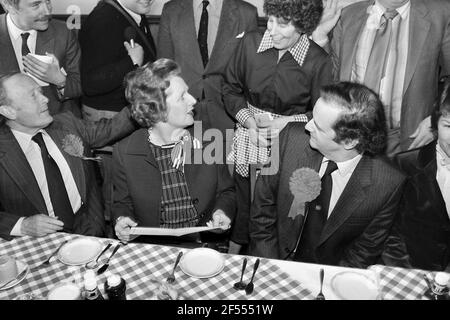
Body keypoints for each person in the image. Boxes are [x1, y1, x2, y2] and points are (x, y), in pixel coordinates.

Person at [249, 82, 406, 268]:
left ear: (349, 141)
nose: (307, 126)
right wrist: (273, 270)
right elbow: (261, 215)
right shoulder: (288, 139)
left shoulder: (388, 184)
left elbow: (364, 251)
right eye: (312, 117)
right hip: (273, 262)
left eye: (318, 126)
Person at [222, 0, 332, 253]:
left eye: (282, 24)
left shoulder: (318, 60)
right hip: (249, 136)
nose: (271, 29)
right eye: (269, 20)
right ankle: (233, 260)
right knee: (243, 204)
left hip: (291, 145)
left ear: (302, 25)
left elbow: (321, 114)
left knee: (275, 210)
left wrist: (288, 122)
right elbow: (229, 89)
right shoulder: (249, 43)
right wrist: (248, 122)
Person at [112, 59, 236, 249]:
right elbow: (122, 202)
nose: (193, 100)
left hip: (203, 243)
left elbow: (226, 192)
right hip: (154, 247)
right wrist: (122, 219)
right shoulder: (125, 151)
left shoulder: (209, 140)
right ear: (156, 109)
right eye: (182, 96)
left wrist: (221, 212)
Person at [0, 72, 138, 240]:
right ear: (9, 111)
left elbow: (112, 128)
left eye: (40, 92)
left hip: (90, 231)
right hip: (39, 245)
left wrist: (149, 100)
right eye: (33, 96)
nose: (45, 99)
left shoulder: (67, 124)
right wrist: (23, 225)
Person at [314, 0, 450, 156]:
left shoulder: (441, 14)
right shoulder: (348, 15)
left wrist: (435, 120)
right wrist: (320, 37)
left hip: (407, 141)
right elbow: (331, 79)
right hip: (350, 138)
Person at [79, 0, 157, 227]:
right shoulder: (103, 19)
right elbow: (90, 83)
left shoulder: (131, 12)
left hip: (126, 119)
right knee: (114, 196)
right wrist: (132, 62)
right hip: (111, 123)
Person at [157, 0, 258, 135]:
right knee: (187, 156)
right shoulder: (171, 10)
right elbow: (163, 70)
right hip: (181, 119)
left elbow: (250, 73)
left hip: (228, 117)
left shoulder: (246, 13)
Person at [387, 78, 450, 271]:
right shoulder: (404, 165)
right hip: (412, 271)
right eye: (448, 126)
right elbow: (388, 233)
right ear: (434, 125)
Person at [0, 0, 82, 116]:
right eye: (36, 5)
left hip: (58, 122)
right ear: (9, 6)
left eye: (48, 1)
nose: (47, 11)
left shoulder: (63, 32)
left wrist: (59, 80)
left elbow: (81, 85)